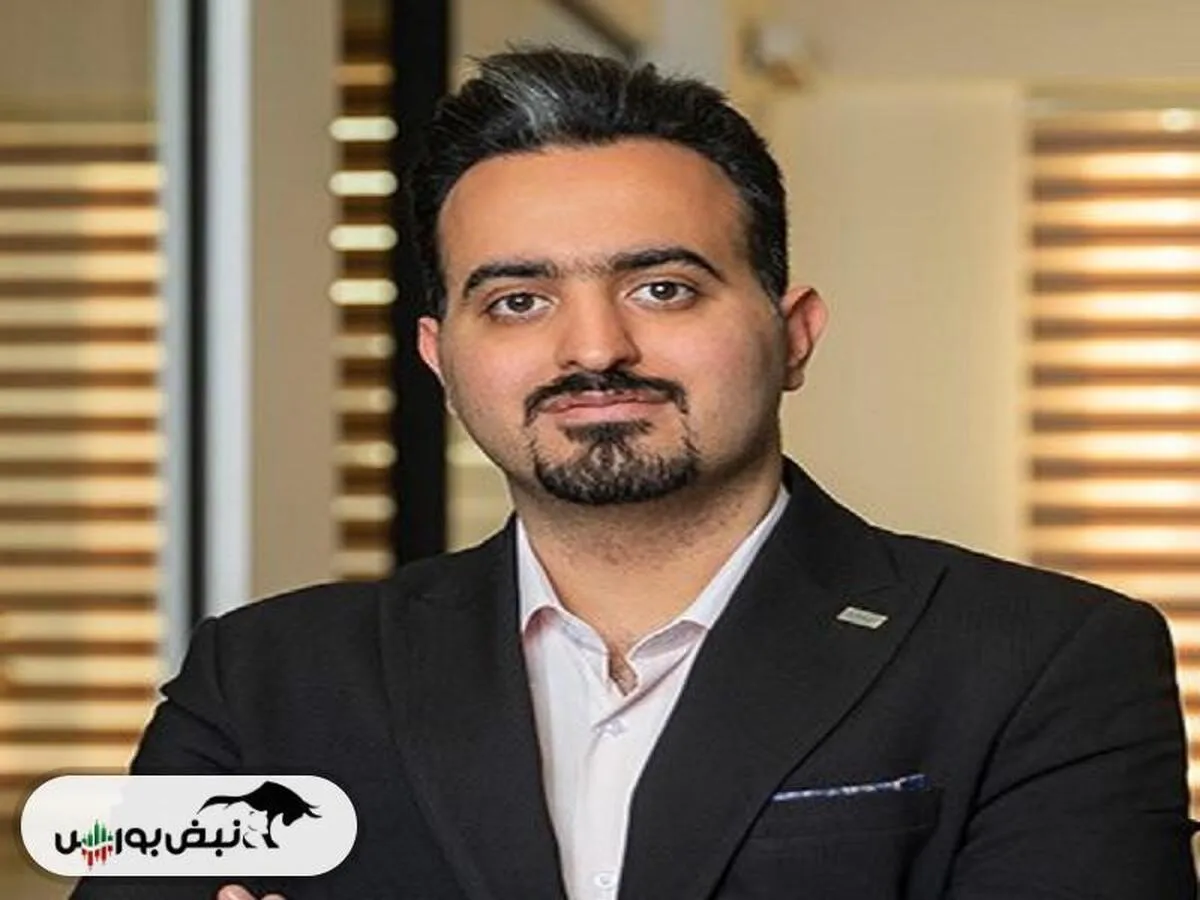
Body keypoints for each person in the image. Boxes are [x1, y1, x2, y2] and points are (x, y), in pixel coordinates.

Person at [73, 48, 1195, 900]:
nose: (594, 349)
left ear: (793, 334)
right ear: (441, 359)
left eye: (663, 289)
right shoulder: (263, 679)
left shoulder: (1045, 661)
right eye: (518, 300)